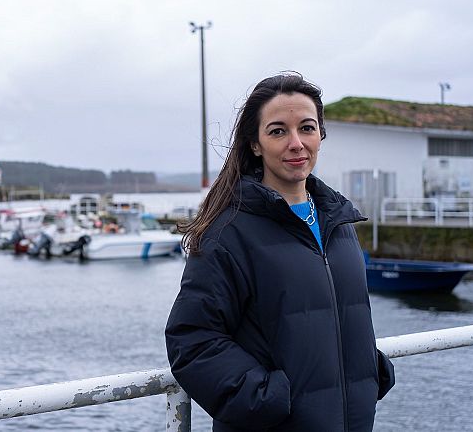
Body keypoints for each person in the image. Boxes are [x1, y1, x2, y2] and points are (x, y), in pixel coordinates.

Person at [165, 73, 394, 431]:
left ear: (320, 134)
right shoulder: (229, 232)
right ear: (255, 144)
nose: (296, 143)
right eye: (277, 131)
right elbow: (192, 339)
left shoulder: (340, 223)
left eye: (306, 128)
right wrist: (267, 399)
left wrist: (368, 370)